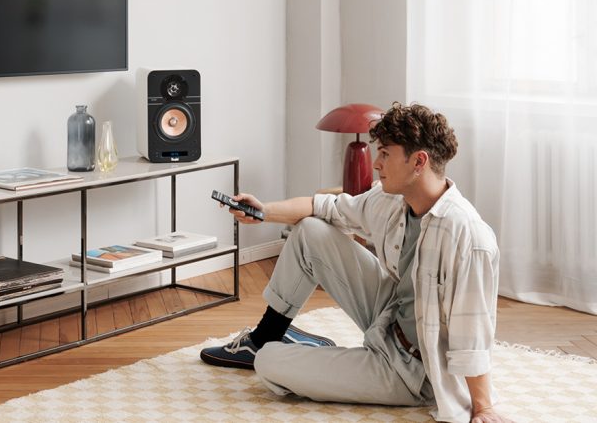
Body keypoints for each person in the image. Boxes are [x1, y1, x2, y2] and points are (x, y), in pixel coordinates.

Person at [200, 103, 513, 423]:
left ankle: (277, 348)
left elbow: (472, 332)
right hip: (390, 318)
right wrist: (263, 211)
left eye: (386, 154)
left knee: (269, 363)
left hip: (414, 371)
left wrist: (483, 407)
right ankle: (269, 333)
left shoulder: (468, 238)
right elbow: (323, 207)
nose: (376, 164)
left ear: (419, 161)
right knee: (310, 229)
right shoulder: (393, 200)